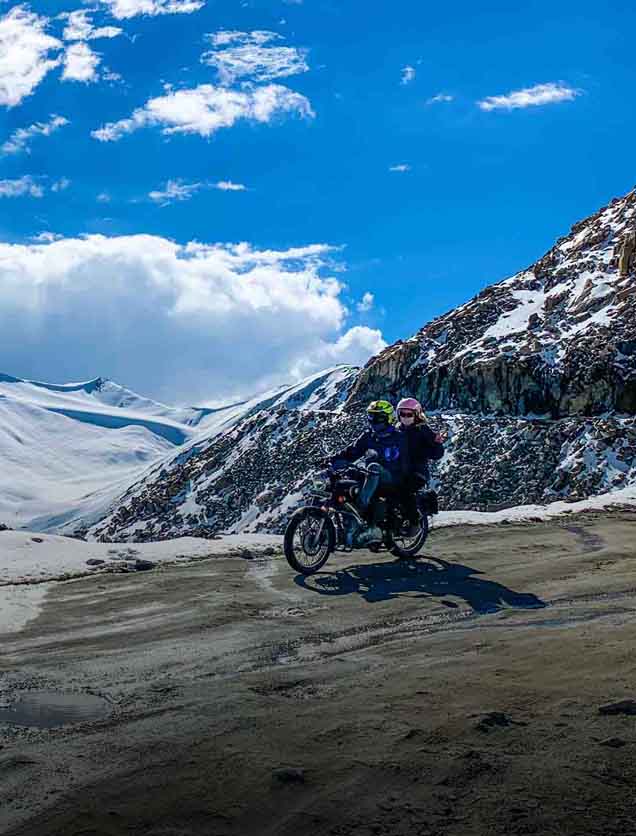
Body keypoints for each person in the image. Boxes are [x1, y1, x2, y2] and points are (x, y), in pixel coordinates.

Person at [395, 397, 445, 536]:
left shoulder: (422, 430)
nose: (405, 417)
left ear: (417, 415)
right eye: (402, 414)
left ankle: (414, 523)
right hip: (400, 471)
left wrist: (436, 443)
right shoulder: (397, 430)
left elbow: (437, 454)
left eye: (409, 414)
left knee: (405, 491)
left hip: (417, 472)